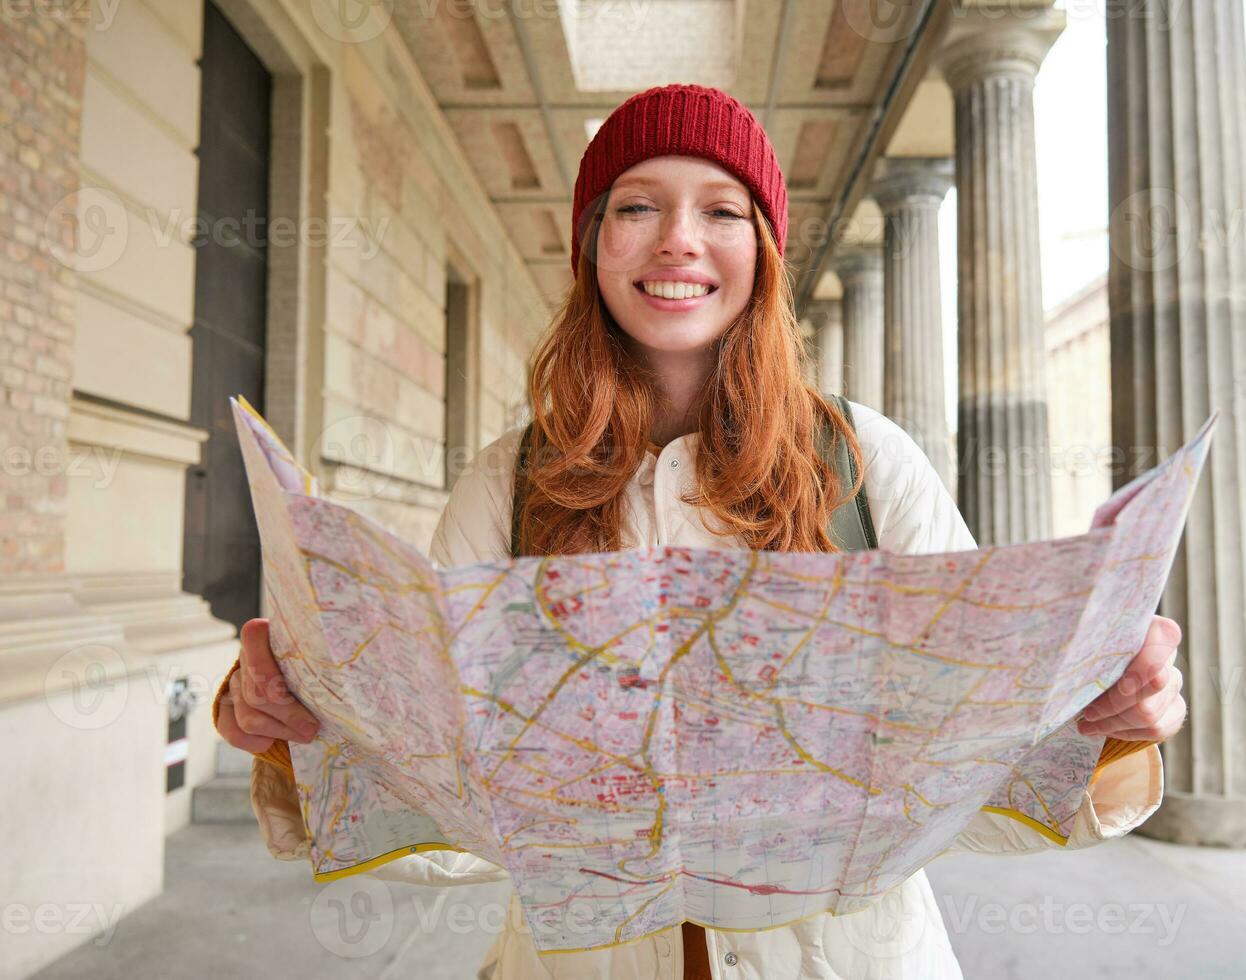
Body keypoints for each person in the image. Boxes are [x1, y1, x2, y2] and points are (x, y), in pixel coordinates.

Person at [215, 83, 1187, 980]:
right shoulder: (508, 485)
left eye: (722, 211)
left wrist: (1105, 721)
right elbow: (451, 820)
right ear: (591, 244)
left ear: (763, 250)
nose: (679, 239)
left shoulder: (867, 463)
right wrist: (295, 732)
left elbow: (979, 785)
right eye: (637, 206)